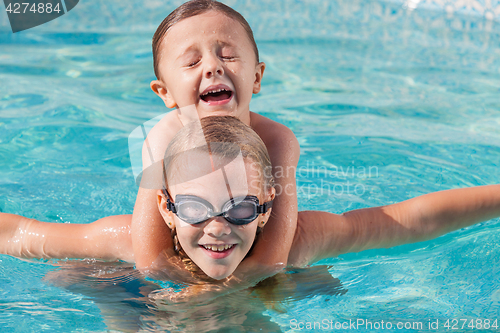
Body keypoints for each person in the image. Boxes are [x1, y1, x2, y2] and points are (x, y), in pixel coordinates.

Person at [1, 116, 499, 293]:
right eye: (195, 208)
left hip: (266, 294)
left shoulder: (302, 238)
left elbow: (409, 220)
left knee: (312, 285)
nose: (217, 228)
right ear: (166, 208)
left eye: (239, 208)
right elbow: (21, 234)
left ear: (266, 206)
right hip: (150, 300)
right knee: (74, 275)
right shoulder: (128, 242)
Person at [131, 0, 300, 285]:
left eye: (229, 56)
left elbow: (274, 255)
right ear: (165, 92)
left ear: (257, 77)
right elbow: (150, 258)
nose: (212, 67)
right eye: (192, 62)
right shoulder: (162, 139)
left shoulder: (276, 141)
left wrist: (220, 294)